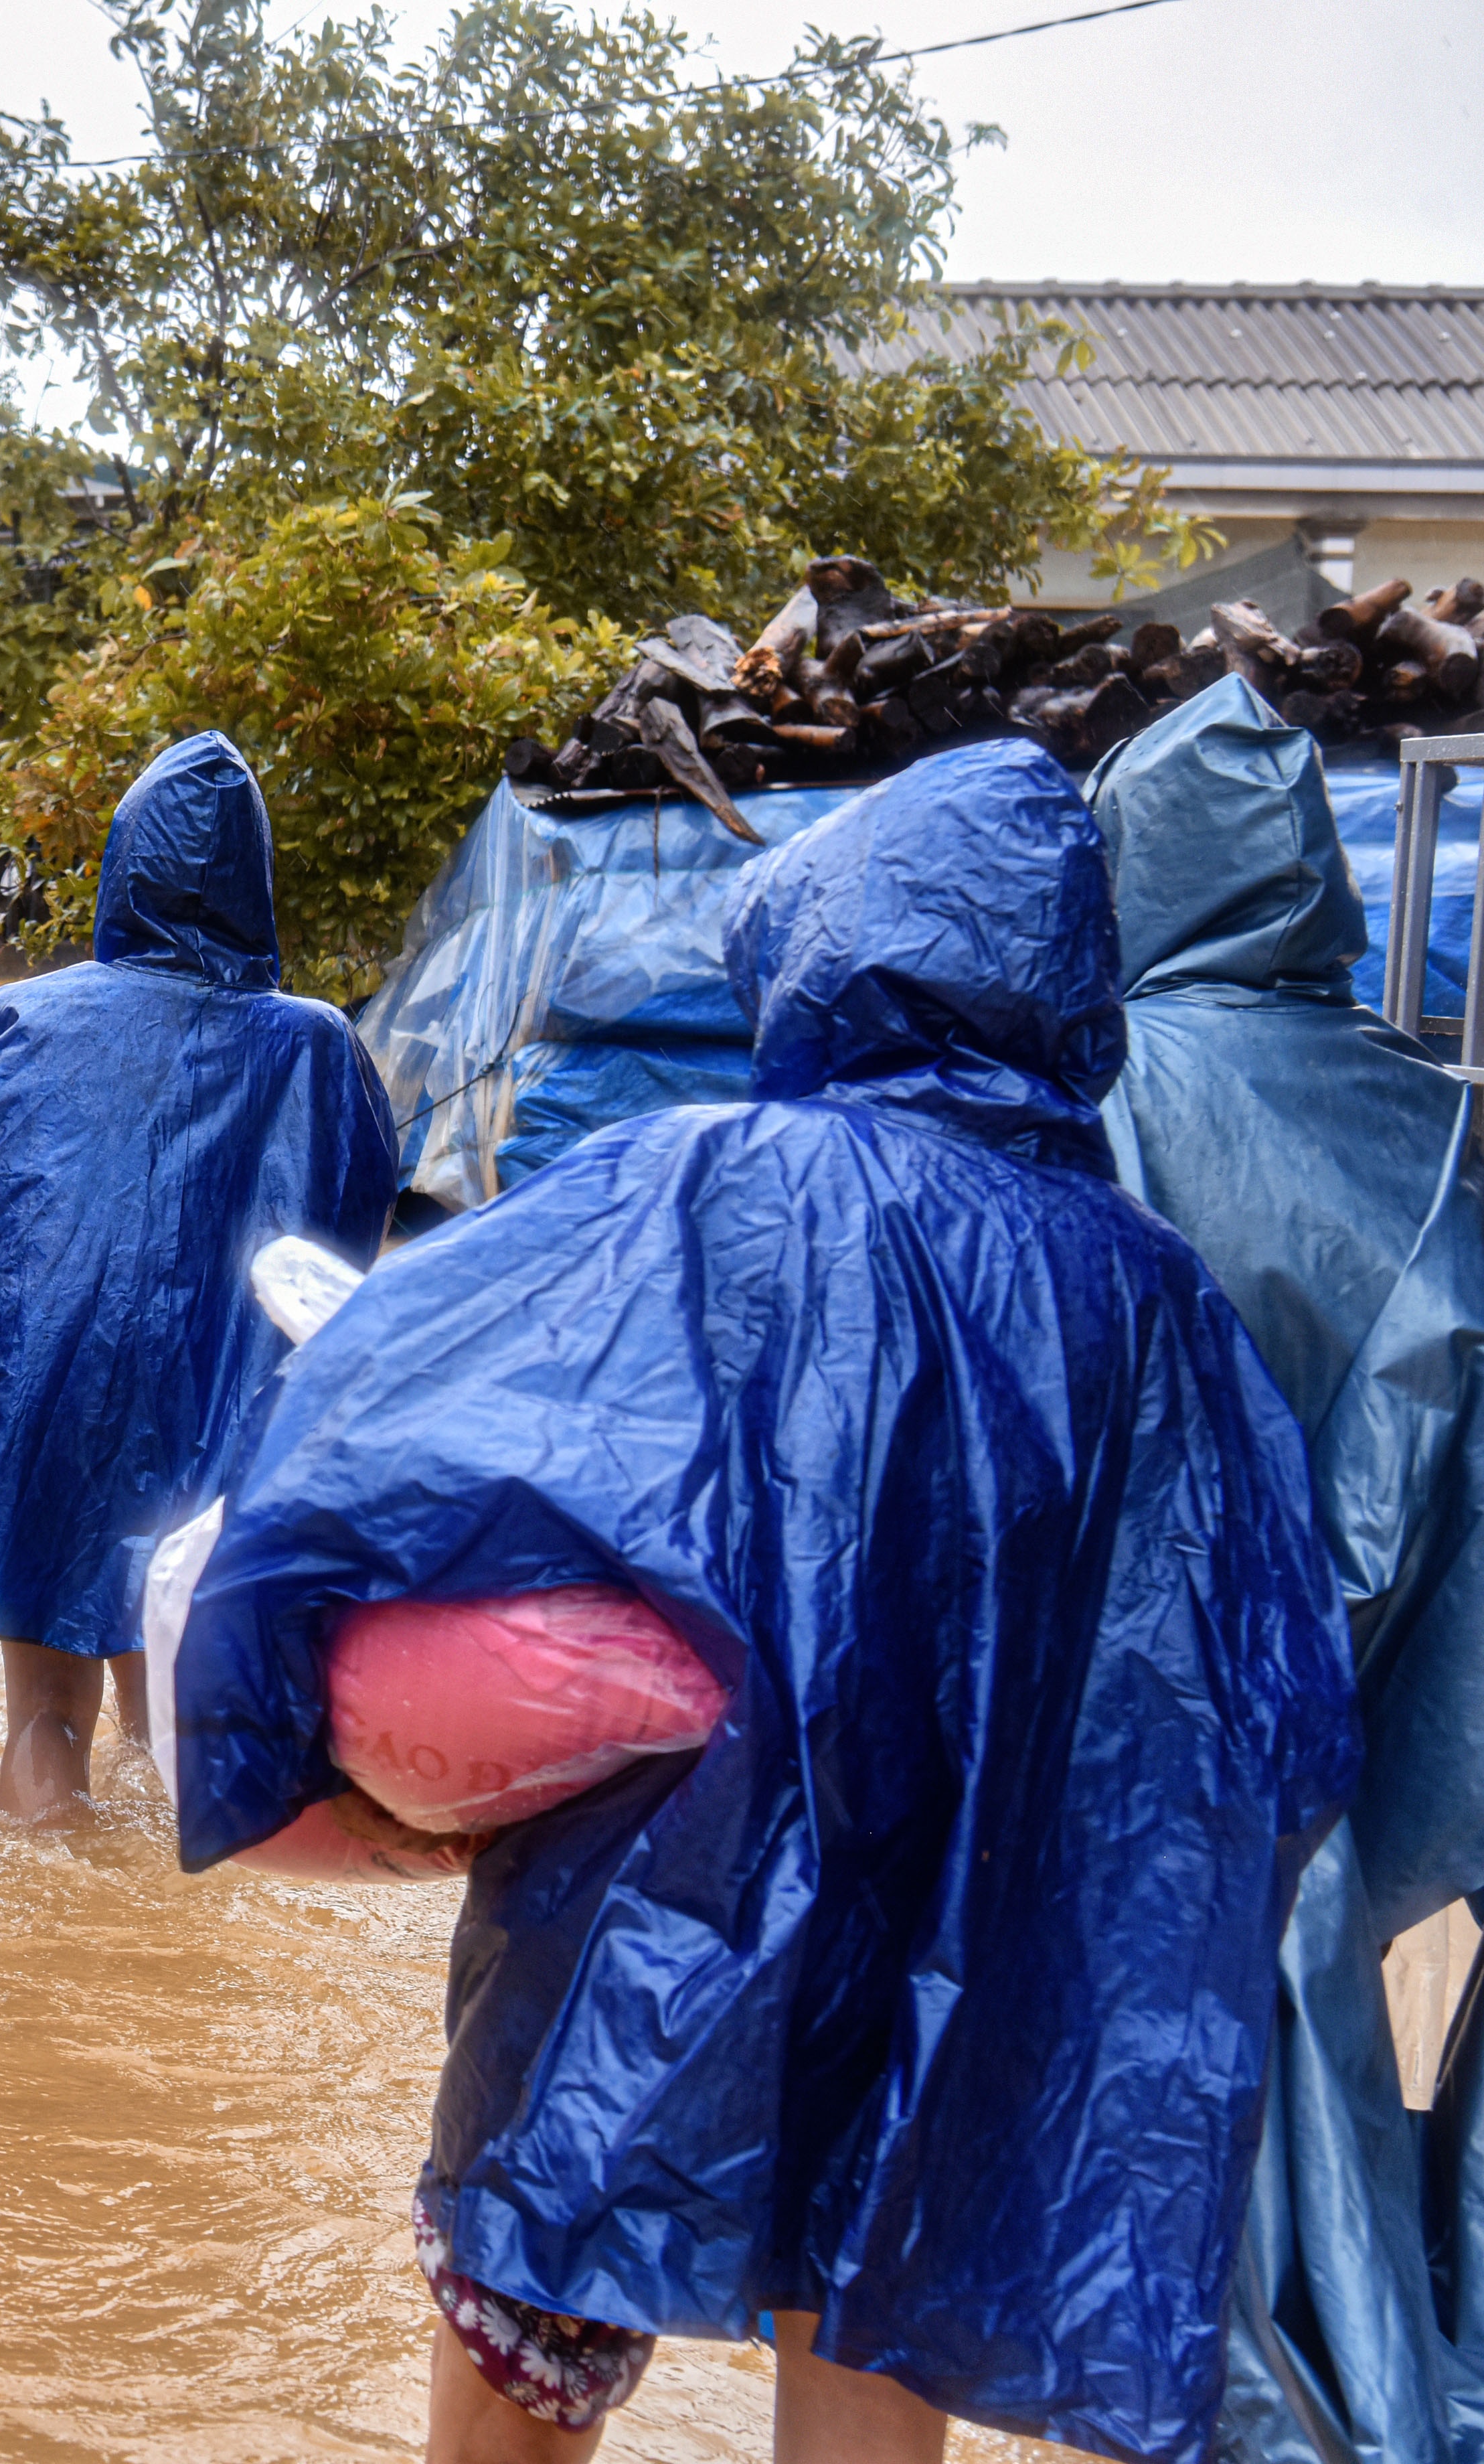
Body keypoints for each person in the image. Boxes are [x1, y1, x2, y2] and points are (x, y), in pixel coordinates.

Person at [163, 739, 1355, 2459]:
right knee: (873, 2300)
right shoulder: (1156, 1296)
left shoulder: (702, 1178)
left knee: (538, 2277)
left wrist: (279, 1741)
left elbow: (375, 1410)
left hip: (655, 1886)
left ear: (826, 941)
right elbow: (1268, 1694)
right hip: (965, 1932)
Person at [1092, 680, 1484, 2462]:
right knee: (1326, 2076)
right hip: (1356, 1720)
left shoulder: (1091, 1089)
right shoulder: (1436, 1118)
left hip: (1138, 1727)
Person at [0, 733, 397, 1821]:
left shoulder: (9, 1021)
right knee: (173, 1718)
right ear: (254, 878)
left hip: (43, 1401)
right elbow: (344, 1241)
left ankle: (37, 1917)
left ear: (126, 866)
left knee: (43, 1718)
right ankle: (158, 1920)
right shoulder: (316, 1045)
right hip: (211, 1409)